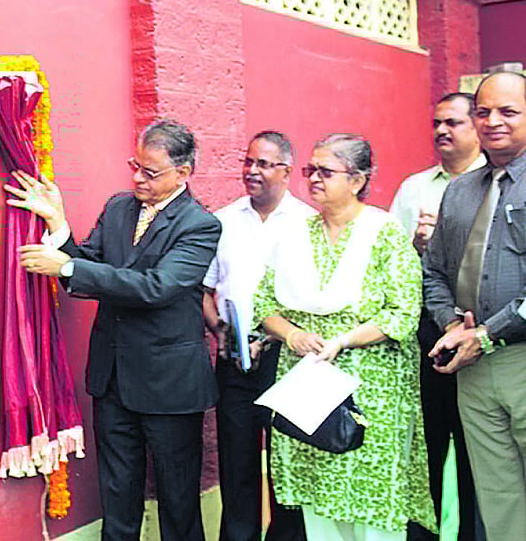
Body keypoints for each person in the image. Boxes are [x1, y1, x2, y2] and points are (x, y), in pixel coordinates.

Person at [5, 119, 221, 540]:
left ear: (183, 172)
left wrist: (69, 267)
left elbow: (157, 287)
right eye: (134, 166)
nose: (138, 178)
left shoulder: (200, 225)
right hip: (114, 380)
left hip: (170, 387)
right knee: (117, 495)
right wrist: (58, 224)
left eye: (150, 172)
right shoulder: (119, 208)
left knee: (178, 501)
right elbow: (90, 265)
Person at [254, 133, 435, 540]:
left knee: (371, 493)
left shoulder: (384, 232)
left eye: (326, 171)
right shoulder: (296, 233)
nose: (314, 179)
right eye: (310, 170)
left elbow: (403, 313)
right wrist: (293, 334)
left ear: (357, 180)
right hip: (306, 381)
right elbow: (263, 304)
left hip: (371, 386)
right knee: (317, 492)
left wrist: (343, 340)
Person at [423, 71, 526, 540]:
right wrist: (451, 325)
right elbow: (434, 272)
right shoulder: (461, 190)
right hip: (473, 367)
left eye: (508, 111)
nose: (493, 121)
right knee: (497, 495)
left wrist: (487, 333)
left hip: (517, 356)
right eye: (483, 112)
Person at [201, 131, 313, 541]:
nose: (252, 171)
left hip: (288, 359)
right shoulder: (223, 220)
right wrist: (219, 331)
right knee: (237, 463)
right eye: (248, 162)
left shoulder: (308, 223)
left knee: (287, 465)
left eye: (263, 164)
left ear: (286, 171)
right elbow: (204, 290)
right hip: (235, 357)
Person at [390, 93, 486, 541]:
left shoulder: (496, 183)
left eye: (453, 122)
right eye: (437, 122)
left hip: (482, 328)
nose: (442, 130)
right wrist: (419, 247)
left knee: (476, 450)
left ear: (476, 128)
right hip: (428, 331)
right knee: (426, 444)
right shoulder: (414, 188)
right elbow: (391, 262)